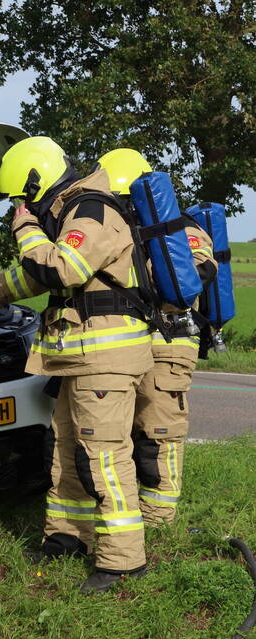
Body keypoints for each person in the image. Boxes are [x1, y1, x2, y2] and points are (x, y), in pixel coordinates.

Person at [0, 136, 153, 594]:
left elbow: (62, 268)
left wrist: (26, 228)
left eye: (23, 198)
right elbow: (37, 276)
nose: (22, 208)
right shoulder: (73, 212)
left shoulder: (92, 210)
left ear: (36, 181)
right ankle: (66, 539)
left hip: (104, 360)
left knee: (103, 458)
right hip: (80, 360)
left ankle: (123, 561)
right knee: (66, 451)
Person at [95, 149, 218, 525]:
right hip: (136, 343)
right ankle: (134, 511)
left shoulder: (174, 229)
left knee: (157, 435)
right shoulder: (167, 228)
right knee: (135, 433)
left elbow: (197, 273)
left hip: (168, 344)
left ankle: (159, 519)